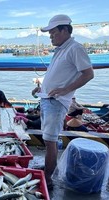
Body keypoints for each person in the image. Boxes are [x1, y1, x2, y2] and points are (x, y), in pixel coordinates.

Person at [32, 14, 94, 188]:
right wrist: (41, 89)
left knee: (50, 141)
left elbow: (88, 74)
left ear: (65, 30)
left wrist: (66, 90)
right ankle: (48, 168)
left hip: (56, 103)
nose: (50, 36)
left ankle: (47, 179)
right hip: (46, 99)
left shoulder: (75, 48)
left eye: (53, 33)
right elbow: (57, 78)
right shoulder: (61, 49)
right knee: (47, 139)